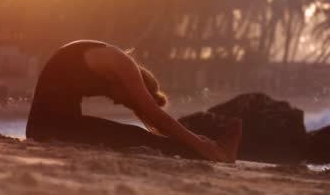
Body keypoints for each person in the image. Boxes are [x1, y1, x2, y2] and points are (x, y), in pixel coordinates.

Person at [25, 40, 242, 162]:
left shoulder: (109, 65)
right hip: (52, 129)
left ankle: (213, 149)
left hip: (47, 126)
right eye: (128, 102)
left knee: (134, 135)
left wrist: (195, 139)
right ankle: (210, 152)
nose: (118, 104)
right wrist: (199, 143)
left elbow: (155, 120)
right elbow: (156, 116)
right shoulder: (122, 64)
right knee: (135, 137)